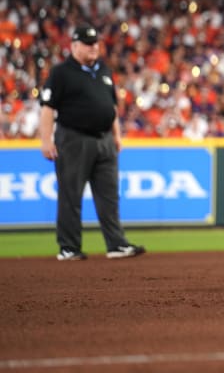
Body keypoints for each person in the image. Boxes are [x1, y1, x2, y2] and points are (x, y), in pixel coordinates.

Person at [39, 25, 146, 261]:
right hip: (74, 138)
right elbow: (47, 108)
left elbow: (112, 107)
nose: (93, 47)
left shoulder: (104, 71)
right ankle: (69, 247)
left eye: (96, 43)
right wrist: (46, 140)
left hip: (105, 138)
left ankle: (116, 244)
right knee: (71, 195)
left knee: (109, 196)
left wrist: (116, 135)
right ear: (74, 46)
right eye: (88, 43)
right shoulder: (61, 72)